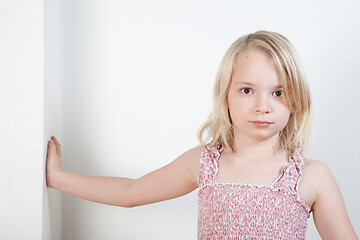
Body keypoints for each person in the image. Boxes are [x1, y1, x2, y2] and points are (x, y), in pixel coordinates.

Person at [46, 30, 358, 239]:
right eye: (247, 90)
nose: (263, 106)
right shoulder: (204, 163)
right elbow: (130, 192)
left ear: (296, 100)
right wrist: (58, 178)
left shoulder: (312, 177)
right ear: (226, 96)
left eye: (278, 92)